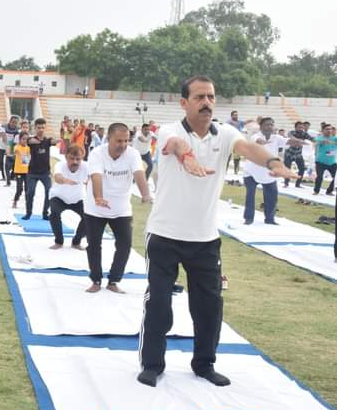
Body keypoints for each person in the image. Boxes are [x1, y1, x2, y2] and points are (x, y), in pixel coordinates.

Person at [138, 75, 300, 388]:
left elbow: (248, 148)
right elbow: (176, 144)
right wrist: (187, 157)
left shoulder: (225, 133)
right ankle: (152, 364)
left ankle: (204, 363)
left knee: (209, 307)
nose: (207, 103)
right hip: (164, 235)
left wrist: (273, 162)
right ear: (184, 103)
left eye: (210, 97)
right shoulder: (170, 130)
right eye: (199, 97)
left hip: (205, 240)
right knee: (158, 303)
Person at [84, 123, 151, 293]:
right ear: (109, 138)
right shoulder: (97, 153)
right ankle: (96, 280)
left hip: (121, 208)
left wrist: (145, 194)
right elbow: (96, 176)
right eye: (118, 141)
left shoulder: (133, 154)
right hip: (96, 208)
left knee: (124, 244)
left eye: (126, 141)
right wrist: (98, 197)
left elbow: (139, 174)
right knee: (94, 245)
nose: (122, 145)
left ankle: (114, 280)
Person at [243, 117, 304, 225]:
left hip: (269, 173)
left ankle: (270, 219)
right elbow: (257, 141)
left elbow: (288, 141)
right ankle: (248, 218)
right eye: (267, 124)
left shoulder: (276, 137)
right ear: (261, 127)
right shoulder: (256, 136)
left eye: (271, 124)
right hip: (251, 171)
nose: (270, 127)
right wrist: (263, 142)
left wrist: (300, 142)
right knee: (250, 196)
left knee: (272, 196)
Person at [49, 145, 88, 251]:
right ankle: (59, 241)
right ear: (66, 157)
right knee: (54, 214)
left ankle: (76, 242)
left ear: (82, 158)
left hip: (78, 198)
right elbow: (57, 177)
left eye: (78, 159)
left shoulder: (86, 166)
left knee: (89, 217)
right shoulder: (60, 165)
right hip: (59, 196)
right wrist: (66, 181)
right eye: (72, 158)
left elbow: (94, 179)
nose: (75, 162)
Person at [23, 118, 53, 220]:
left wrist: (59, 139)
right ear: (35, 128)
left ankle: (45, 213)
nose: (41, 130)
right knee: (30, 192)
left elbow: (53, 141)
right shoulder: (31, 140)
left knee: (49, 192)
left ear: (45, 128)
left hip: (45, 172)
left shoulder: (48, 140)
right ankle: (28, 213)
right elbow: (30, 141)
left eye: (43, 128)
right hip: (32, 172)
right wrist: (37, 140)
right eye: (39, 127)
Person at [283, 121, 314, 188]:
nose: (301, 129)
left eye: (302, 127)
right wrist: (301, 141)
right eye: (299, 127)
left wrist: (320, 140)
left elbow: (311, 139)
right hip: (289, 153)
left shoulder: (304, 133)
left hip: (298, 154)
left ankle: (298, 184)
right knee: (287, 169)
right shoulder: (291, 132)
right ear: (295, 127)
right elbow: (292, 138)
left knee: (302, 169)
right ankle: (286, 183)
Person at [313, 124, 336, 195]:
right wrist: (322, 142)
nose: (329, 130)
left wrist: (332, 142)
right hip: (320, 162)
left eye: (330, 129)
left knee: (335, 178)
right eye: (327, 129)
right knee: (319, 177)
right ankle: (316, 191)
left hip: (332, 162)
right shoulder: (320, 138)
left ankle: (329, 191)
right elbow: (316, 141)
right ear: (323, 131)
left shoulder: (335, 138)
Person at [12, 131, 30, 209]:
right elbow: (15, 150)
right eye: (23, 139)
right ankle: (15, 201)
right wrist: (15, 151)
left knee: (27, 188)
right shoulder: (17, 147)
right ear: (20, 139)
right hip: (18, 171)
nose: (25, 141)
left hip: (27, 172)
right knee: (19, 188)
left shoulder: (29, 148)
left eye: (27, 139)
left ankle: (27, 203)